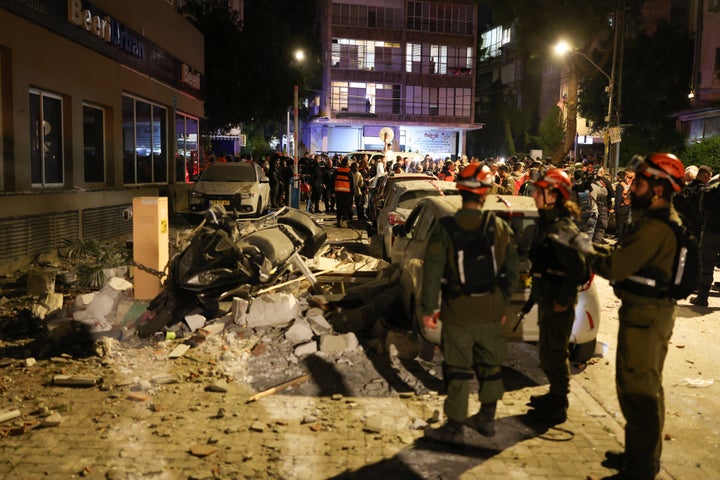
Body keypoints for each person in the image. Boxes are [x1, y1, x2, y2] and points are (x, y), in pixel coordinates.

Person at [552, 153, 686, 480]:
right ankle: (638, 455)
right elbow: (621, 255)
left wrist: (581, 246)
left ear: (657, 189)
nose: (631, 189)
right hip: (643, 314)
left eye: (639, 183)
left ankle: (641, 468)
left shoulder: (657, 227)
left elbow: (615, 265)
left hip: (648, 317)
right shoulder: (651, 222)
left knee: (640, 392)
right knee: (639, 387)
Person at [421, 164, 519, 444]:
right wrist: (502, 304)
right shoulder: (498, 226)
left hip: (457, 309)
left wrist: (429, 309)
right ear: (485, 192)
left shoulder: (446, 228)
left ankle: (454, 426)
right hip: (490, 308)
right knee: (490, 366)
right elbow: (511, 271)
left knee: (457, 368)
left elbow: (432, 271)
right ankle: (487, 419)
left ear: (460, 190)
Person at [524, 168, 588, 425]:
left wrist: (563, 300)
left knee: (555, 352)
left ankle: (559, 404)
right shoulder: (547, 221)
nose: (535, 195)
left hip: (558, 303)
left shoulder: (562, 227)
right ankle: (553, 394)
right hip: (548, 298)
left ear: (553, 195)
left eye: (540, 191)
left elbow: (579, 269)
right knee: (548, 352)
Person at [690, 172, 720, 307]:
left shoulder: (708, 193)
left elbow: (701, 211)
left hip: (710, 232)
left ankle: (702, 298)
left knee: (706, 267)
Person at [333, 156, 354, 228]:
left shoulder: (337, 170)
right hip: (346, 192)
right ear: (347, 164)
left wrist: (332, 191)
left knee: (339, 207)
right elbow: (352, 183)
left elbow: (332, 180)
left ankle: (338, 221)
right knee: (345, 207)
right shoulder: (349, 171)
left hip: (338, 191)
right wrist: (352, 193)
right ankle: (344, 222)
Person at [613, 170, 633, 240]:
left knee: (620, 225)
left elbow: (618, 198)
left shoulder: (620, 185)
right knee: (625, 224)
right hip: (627, 206)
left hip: (621, 207)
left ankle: (620, 239)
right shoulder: (628, 185)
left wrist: (616, 208)